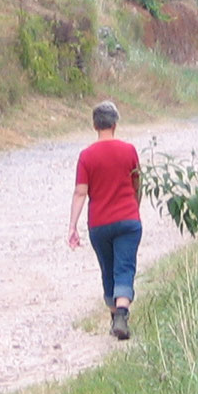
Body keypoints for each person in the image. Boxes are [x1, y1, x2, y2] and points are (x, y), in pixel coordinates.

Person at [66, 99, 142, 339]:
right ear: (115, 124)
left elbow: (80, 192)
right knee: (125, 267)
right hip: (128, 220)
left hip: (99, 223)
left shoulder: (86, 156)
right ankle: (121, 315)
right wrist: (135, 207)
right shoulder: (129, 150)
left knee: (108, 270)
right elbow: (137, 182)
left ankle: (115, 317)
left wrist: (72, 226)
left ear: (94, 126)